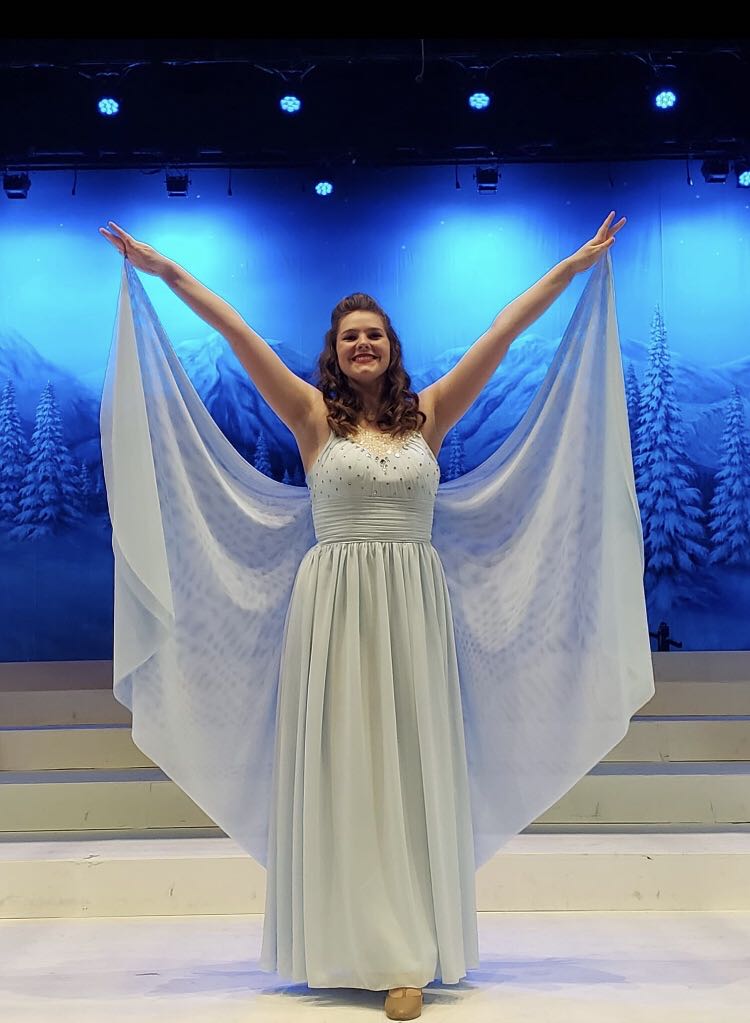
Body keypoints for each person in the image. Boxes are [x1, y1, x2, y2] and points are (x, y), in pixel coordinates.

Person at [99, 213, 631, 1022]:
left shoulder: (431, 414)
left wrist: (574, 266)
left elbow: (503, 330)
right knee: (347, 768)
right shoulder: (313, 416)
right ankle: (346, 940)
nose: (362, 344)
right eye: (350, 335)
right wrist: (162, 269)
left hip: (413, 605)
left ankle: (406, 950)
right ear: (335, 350)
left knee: (408, 772)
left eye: (374, 334)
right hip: (336, 610)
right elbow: (236, 331)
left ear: (391, 346)